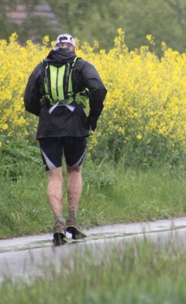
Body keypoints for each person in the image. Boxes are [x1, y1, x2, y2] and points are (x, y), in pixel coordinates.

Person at [24, 33, 107, 246]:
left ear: (56, 47)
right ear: (73, 48)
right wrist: (92, 117)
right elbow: (98, 88)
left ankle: (58, 222)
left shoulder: (42, 66)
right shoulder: (81, 65)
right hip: (76, 127)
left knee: (54, 178)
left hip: (48, 128)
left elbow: (28, 100)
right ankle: (72, 218)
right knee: (74, 171)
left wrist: (45, 114)